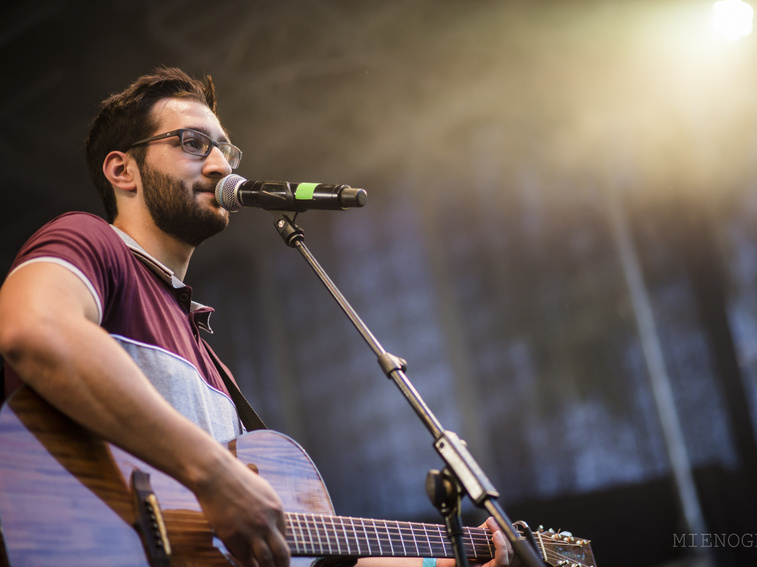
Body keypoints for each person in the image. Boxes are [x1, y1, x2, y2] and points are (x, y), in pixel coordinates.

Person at [0, 67, 512, 567]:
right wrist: (214, 473)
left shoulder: (203, 350)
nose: (223, 165)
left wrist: (450, 559)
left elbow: (305, 553)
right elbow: (33, 330)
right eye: (193, 143)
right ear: (122, 170)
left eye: (225, 148)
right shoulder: (93, 242)